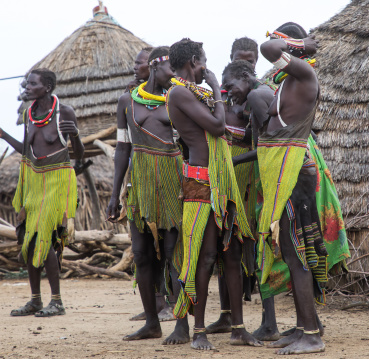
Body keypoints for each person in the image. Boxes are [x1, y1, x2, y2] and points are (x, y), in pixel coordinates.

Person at [166, 38, 261, 350]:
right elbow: (219, 127)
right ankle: (199, 332)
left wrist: (212, 91)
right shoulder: (179, 91)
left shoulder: (192, 91)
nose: (206, 65)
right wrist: (217, 85)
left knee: (231, 253)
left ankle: (238, 328)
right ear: (194, 60)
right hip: (202, 182)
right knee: (206, 256)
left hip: (220, 180)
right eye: (203, 59)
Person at [251, 22, 329, 354]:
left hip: (292, 173)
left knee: (296, 253)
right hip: (283, 171)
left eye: (288, 46)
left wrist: (295, 44)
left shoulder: (305, 77)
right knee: (290, 250)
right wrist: (295, 46)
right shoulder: (290, 80)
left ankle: (312, 334)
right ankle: (302, 327)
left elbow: (267, 47)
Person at [0, 68, 84, 317]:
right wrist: (3, 134)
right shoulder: (30, 114)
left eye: (32, 84)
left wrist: (76, 136)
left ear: (47, 87)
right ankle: (36, 300)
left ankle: (57, 301)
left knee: (43, 237)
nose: (26, 88)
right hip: (33, 179)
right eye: (26, 84)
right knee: (27, 238)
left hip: (58, 179)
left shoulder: (65, 112)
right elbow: (27, 151)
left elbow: (79, 157)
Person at [106, 46, 189, 345]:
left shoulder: (176, 98)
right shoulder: (127, 101)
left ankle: (182, 325)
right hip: (139, 182)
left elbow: (191, 144)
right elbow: (122, 149)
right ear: (156, 66)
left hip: (170, 179)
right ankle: (152, 322)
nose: (176, 74)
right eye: (171, 69)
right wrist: (114, 194)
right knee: (141, 254)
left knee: (172, 253)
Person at [207, 37, 275, 337]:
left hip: (251, 182)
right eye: (241, 59)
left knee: (257, 246)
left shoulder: (259, 97)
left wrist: (234, 163)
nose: (247, 64)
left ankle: (269, 321)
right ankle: (226, 316)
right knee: (227, 246)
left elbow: (266, 146)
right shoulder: (228, 100)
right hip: (227, 183)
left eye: (252, 61)